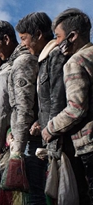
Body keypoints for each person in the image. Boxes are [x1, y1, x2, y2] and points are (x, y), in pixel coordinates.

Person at [16, 11, 90, 204]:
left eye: (24, 38)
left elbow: (68, 104)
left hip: (80, 142)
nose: (22, 44)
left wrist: (49, 131)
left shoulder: (66, 59)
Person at [41, 8, 93, 204]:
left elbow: (76, 108)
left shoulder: (75, 62)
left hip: (88, 145)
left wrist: (50, 128)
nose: (55, 43)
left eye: (58, 37)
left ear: (72, 36)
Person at [0, 19, 40, 204]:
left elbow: (22, 107)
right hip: (21, 140)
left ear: (6, 39)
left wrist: (16, 150)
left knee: (31, 197)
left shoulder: (21, 62)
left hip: (25, 143)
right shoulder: (13, 63)